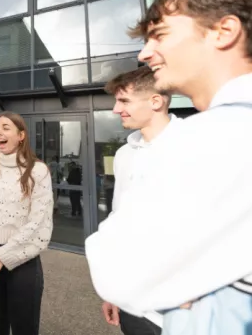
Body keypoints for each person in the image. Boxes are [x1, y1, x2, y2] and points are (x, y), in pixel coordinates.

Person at [85, 0, 252, 334]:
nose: (146, 52)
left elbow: (117, 267)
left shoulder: (214, 138)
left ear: (223, 32)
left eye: (159, 35)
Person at [99, 66, 181, 335]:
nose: (115, 109)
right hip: (132, 305)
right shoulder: (124, 154)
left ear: (156, 101)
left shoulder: (197, 146)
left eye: (124, 101)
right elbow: (119, 223)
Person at [0, 112, 53, 335]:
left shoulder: (39, 170)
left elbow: (39, 224)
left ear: (21, 135)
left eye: (6, 127)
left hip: (23, 263)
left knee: (24, 329)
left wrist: (2, 257)